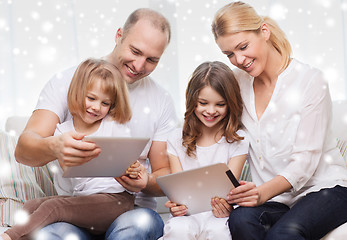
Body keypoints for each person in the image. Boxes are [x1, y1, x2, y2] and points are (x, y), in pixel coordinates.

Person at [14, 8, 177, 240]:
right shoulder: (67, 82)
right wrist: (55, 147)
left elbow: (165, 174)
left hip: (130, 211)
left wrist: (145, 181)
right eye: (135, 51)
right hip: (75, 211)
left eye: (151, 60)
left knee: (140, 225)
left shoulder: (161, 100)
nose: (139, 66)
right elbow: (23, 151)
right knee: (50, 234)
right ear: (119, 35)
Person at [211, 1, 347, 240]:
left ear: (264, 31)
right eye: (229, 54)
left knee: (284, 234)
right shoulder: (237, 83)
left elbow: (305, 162)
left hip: (324, 189)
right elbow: (220, 137)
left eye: (243, 47)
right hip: (276, 199)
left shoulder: (310, 80)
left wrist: (261, 193)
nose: (239, 59)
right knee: (240, 220)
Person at [1, 58, 142, 240]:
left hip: (116, 200)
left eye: (105, 103)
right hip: (84, 201)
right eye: (91, 98)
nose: (96, 107)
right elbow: (67, 180)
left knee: (54, 208)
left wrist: (135, 170)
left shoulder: (114, 127)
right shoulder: (62, 131)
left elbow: (130, 163)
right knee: (31, 206)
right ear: (77, 93)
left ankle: (8, 237)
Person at [161, 61, 249, 239]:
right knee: (179, 229)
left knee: (219, 232)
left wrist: (226, 207)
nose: (210, 111)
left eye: (220, 104)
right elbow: (179, 192)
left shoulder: (238, 139)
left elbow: (229, 192)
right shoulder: (175, 139)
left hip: (219, 215)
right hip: (186, 216)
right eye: (203, 103)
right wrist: (177, 206)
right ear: (192, 101)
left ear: (230, 104)